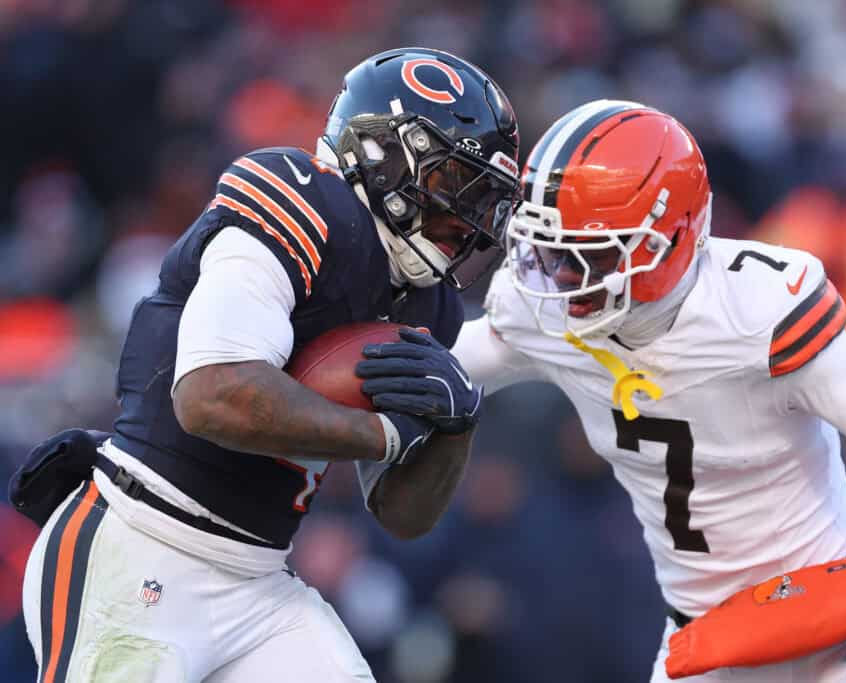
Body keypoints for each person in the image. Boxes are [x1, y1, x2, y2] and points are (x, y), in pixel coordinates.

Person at [356, 100, 846, 682]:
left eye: (588, 256)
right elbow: (436, 366)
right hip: (704, 639)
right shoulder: (542, 310)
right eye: (549, 251)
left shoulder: (757, 311)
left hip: (839, 621)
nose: (561, 279)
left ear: (670, 239)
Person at [15, 47, 520, 682]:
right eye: (453, 185)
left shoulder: (428, 304)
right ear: (379, 153)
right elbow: (210, 396)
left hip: (260, 580)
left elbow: (402, 515)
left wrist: (455, 427)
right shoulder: (300, 199)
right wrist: (384, 435)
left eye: (483, 198)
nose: (467, 220)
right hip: (140, 543)